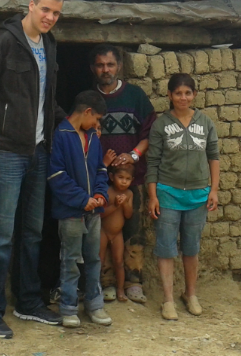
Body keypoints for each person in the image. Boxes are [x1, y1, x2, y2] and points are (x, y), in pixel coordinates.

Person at [0, 0, 65, 339]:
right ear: (31, 5)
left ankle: (28, 302)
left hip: (39, 151)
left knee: (32, 233)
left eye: (56, 13)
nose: (50, 18)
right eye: (45, 10)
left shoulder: (50, 46)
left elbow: (47, 99)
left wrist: (68, 126)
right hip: (6, 151)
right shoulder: (3, 42)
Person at [146, 73, 220, 321]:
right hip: (167, 194)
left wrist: (214, 189)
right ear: (169, 95)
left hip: (198, 196)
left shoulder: (205, 123)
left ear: (194, 95)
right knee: (166, 248)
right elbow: (153, 162)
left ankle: (190, 294)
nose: (183, 97)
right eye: (178, 93)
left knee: (191, 248)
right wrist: (153, 195)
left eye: (188, 93)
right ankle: (168, 299)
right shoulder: (161, 125)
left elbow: (214, 156)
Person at [89, 44, 157, 304]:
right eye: (100, 65)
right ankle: (105, 282)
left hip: (132, 178)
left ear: (119, 66)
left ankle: (134, 281)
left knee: (132, 229)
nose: (105, 70)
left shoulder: (135, 96)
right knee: (102, 231)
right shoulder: (89, 99)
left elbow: (150, 131)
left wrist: (135, 155)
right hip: (100, 179)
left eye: (110, 64)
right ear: (93, 68)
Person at [48, 90, 112, 327]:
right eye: (96, 119)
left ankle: (95, 305)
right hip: (71, 213)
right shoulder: (61, 136)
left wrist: (99, 194)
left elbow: (99, 170)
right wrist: (80, 199)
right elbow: (56, 175)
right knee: (71, 260)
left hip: (94, 211)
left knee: (94, 258)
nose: (97, 125)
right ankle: (68, 307)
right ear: (86, 112)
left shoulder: (93, 138)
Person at [100, 164, 134, 302]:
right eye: (120, 177)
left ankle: (120, 290)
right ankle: (96, 289)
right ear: (112, 177)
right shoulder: (107, 191)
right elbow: (101, 214)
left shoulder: (129, 194)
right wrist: (115, 205)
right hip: (103, 231)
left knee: (119, 261)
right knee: (99, 261)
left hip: (117, 233)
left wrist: (125, 204)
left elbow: (128, 215)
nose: (124, 181)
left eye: (127, 179)